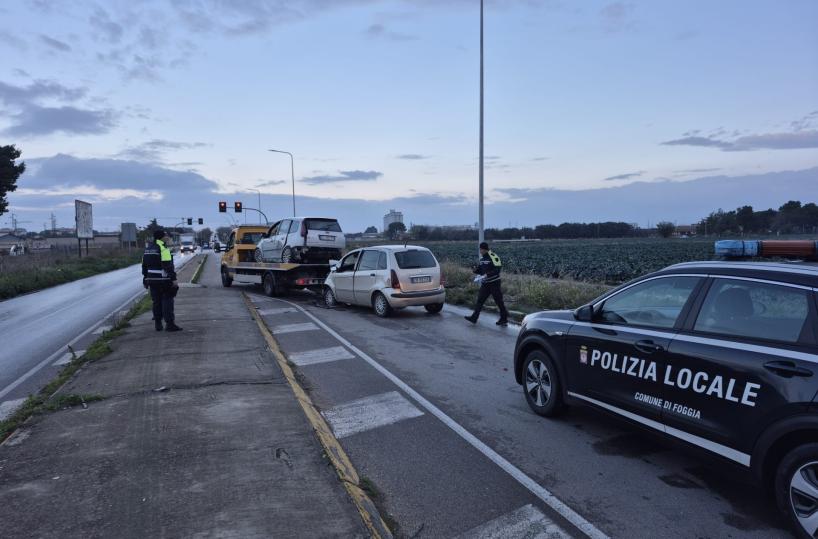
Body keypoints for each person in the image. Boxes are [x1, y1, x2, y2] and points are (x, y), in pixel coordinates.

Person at [142, 229, 182, 332]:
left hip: (151, 280)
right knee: (167, 301)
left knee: (156, 302)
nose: (167, 237)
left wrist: (145, 278)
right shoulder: (163, 249)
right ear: (161, 237)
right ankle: (170, 324)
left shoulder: (148, 248)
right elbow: (167, 266)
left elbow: (144, 265)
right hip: (163, 280)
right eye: (166, 236)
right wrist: (173, 279)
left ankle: (158, 324)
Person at [465, 242, 509, 326]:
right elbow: (481, 270)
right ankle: (474, 318)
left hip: (494, 283)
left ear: (484, 249)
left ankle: (504, 319)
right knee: (480, 300)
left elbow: (498, 269)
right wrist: (475, 270)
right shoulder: (482, 259)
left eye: (481, 249)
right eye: (480, 249)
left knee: (499, 301)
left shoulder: (493, 256)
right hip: (485, 283)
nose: (480, 251)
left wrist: (488, 274)